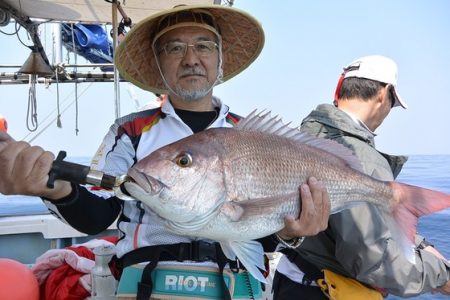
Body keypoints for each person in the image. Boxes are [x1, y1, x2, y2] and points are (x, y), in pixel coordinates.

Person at [0, 5, 330, 299]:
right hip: (148, 284)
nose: (190, 58)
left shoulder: (255, 137)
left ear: (220, 59)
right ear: (159, 63)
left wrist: (291, 235)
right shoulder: (129, 131)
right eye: (174, 48)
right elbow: (98, 214)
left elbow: (261, 234)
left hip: (237, 286)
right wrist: (53, 188)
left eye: (203, 46)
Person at [272, 55, 450, 299]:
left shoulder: (302, 137)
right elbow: (374, 260)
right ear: (383, 94)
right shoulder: (362, 159)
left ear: (340, 89)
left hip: (290, 283)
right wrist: (442, 275)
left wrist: (420, 245)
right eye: (392, 103)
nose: (388, 112)